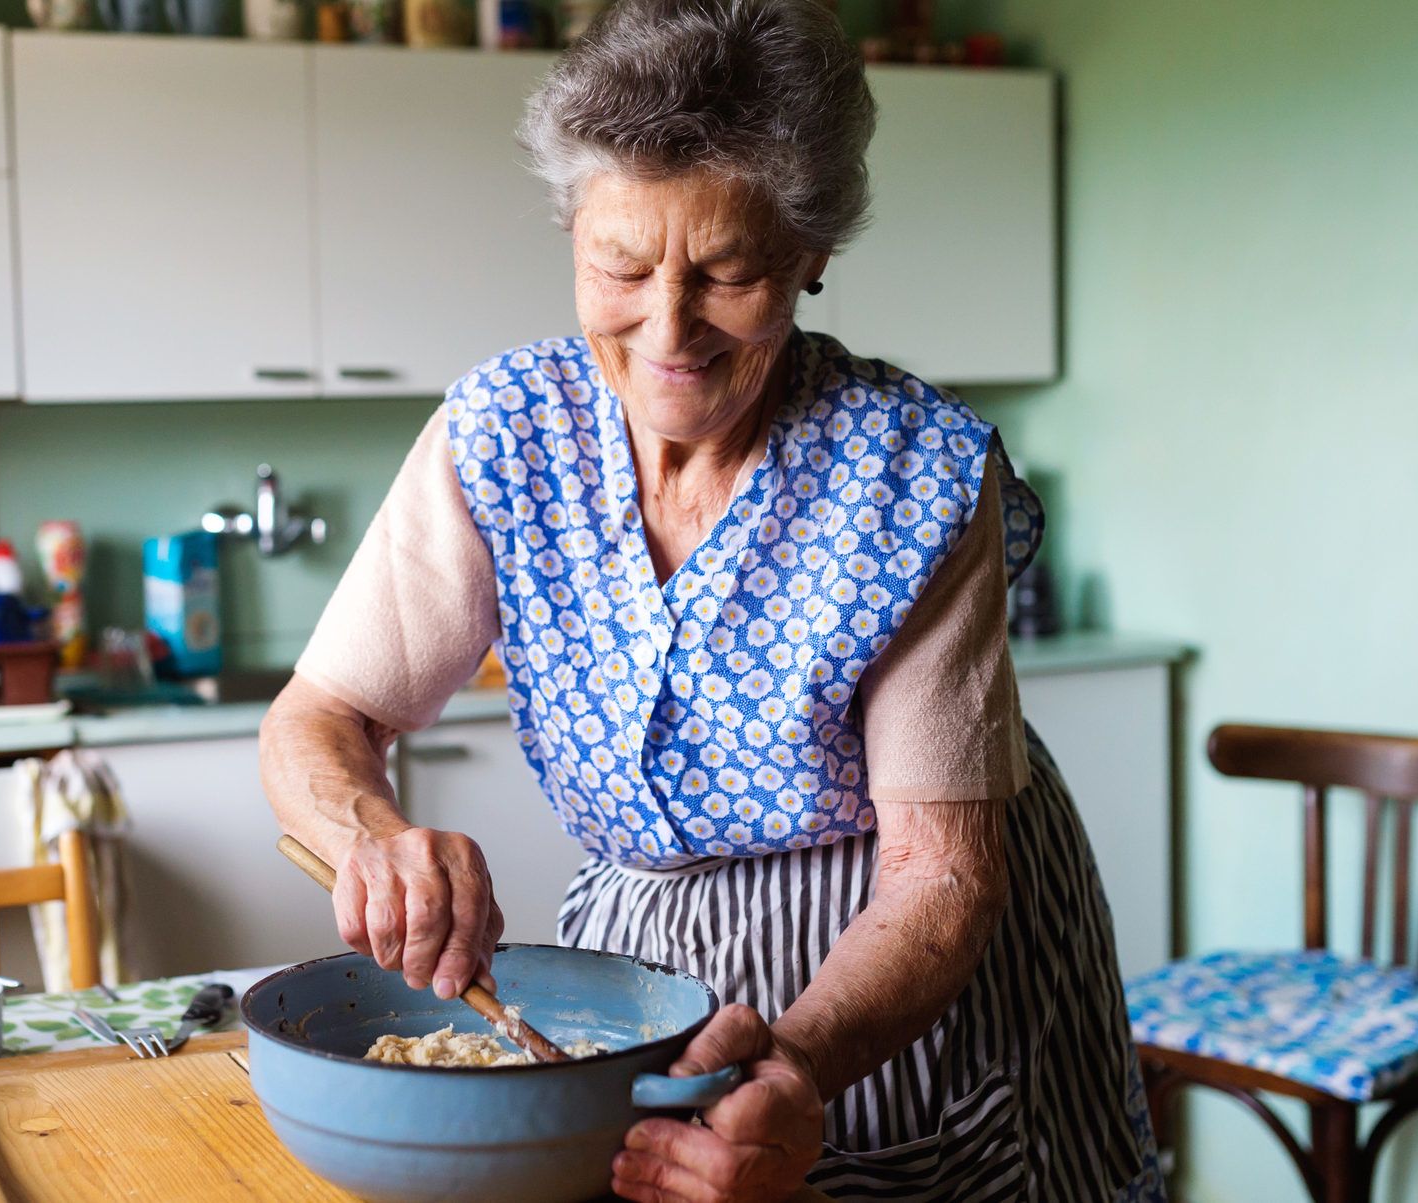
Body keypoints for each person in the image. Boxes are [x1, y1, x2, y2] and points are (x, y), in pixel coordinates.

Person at [260, 1, 1162, 1197]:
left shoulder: (913, 474)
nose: (668, 328)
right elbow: (316, 718)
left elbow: (941, 876)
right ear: (572, 234)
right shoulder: (502, 432)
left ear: (811, 254)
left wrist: (796, 1058)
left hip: (894, 965)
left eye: (728, 273)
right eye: (620, 267)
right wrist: (371, 838)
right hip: (641, 958)